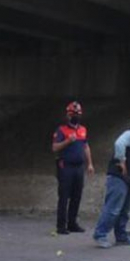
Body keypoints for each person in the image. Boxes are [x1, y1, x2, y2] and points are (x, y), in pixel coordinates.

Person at [93, 118, 130, 248]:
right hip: (118, 177)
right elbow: (119, 144)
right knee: (113, 208)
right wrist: (121, 161)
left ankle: (121, 237)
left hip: (126, 180)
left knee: (124, 210)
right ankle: (100, 235)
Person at [51, 101, 94, 235]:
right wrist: (68, 141)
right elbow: (54, 147)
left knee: (77, 195)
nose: (75, 116)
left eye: (78, 114)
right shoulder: (61, 130)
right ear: (68, 115)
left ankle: (72, 223)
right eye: (73, 114)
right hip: (65, 166)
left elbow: (86, 146)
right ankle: (61, 226)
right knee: (64, 196)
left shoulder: (82, 130)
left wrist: (90, 164)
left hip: (79, 167)